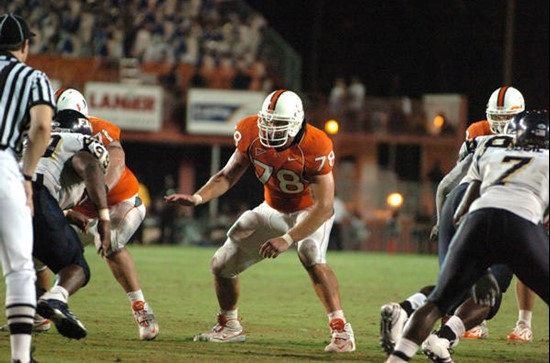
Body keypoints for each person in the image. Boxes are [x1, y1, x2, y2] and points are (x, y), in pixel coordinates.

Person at [165, 89, 356, 352]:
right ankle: (230, 326)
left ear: (297, 121)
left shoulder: (316, 144)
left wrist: (288, 239)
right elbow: (226, 176)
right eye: (267, 121)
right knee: (221, 263)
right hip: (272, 208)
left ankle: (342, 331)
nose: (270, 129)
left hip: (309, 211)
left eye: (279, 123)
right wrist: (197, 199)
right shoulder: (250, 131)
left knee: (310, 253)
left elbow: (324, 206)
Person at [386, 110, 549, 363]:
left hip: (477, 220)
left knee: (440, 300)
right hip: (522, 224)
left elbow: (462, 210)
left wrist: (479, 268)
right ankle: (444, 337)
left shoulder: (490, 152)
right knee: (487, 299)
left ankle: (397, 359)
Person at [48, 88, 159, 340]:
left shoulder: (99, 128)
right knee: (39, 250)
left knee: (111, 243)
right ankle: (40, 314)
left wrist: (100, 198)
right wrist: (66, 210)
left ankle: (140, 307)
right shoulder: (44, 131)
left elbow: (117, 160)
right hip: (79, 210)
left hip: (120, 200)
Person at [0, 13, 53, 363]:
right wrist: (28, 176)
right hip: (4, 164)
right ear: (26, 45)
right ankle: (20, 357)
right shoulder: (32, 77)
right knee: (19, 266)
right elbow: (42, 128)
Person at [32, 110, 110, 340]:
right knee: (76, 267)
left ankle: (24, 325)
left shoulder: (32, 138)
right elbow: (88, 166)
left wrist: (63, 213)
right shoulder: (79, 142)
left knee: (24, 266)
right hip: (32, 196)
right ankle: (56, 297)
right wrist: (104, 217)